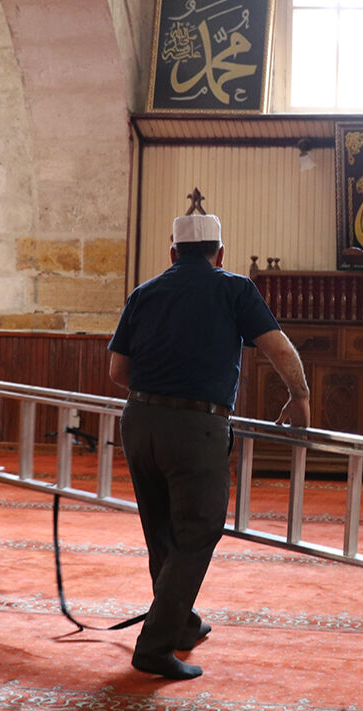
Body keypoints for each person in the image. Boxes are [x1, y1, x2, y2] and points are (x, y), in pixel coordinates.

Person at [107, 213, 310, 680]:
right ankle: (155, 647)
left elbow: (118, 372)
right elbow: (279, 348)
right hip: (197, 427)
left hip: (139, 422)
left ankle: (182, 623)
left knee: (161, 531)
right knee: (196, 533)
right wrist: (299, 398)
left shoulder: (144, 293)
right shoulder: (234, 288)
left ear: (172, 253)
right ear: (221, 254)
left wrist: (159, 392)